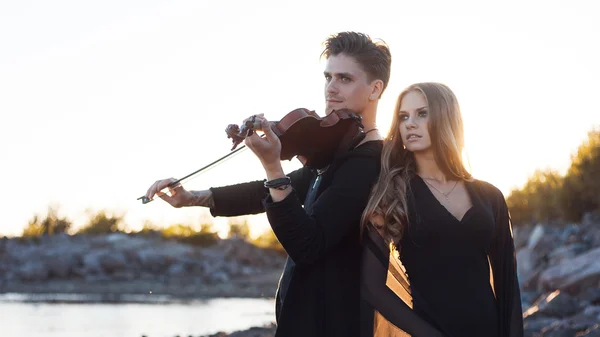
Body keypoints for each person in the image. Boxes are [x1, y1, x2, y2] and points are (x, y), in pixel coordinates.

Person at [144, 31, 392, 337]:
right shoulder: (339, 154)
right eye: (328, 77)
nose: (331, 88)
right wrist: (192, 198)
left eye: (345, 79)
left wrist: (273, 164)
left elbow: (308, 244)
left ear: (375, 88)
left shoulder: (367, 162)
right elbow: (268, 191)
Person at [359, 82, 524, 337]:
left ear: (446, 117)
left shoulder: (490, 196)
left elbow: (508, 284)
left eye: (422, 114)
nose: (410, 124)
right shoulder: (392, 194)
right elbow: (372, 288)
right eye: (404, 117)